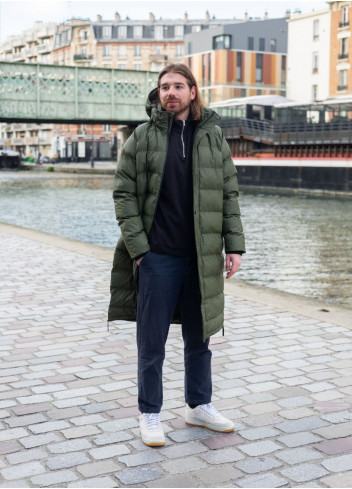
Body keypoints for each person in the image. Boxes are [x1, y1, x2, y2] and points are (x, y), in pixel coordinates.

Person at [108, 63, 245, 447]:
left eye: (178, 86)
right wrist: (140, 252)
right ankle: (150, 413)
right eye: (164, 86)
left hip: (202, 257)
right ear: (158, 93)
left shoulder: (213, 137)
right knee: (151, 343)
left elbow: (229, 194)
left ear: (193, 92)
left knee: (200, 339)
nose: (171, 92)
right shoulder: (141, 137)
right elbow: (124, 195)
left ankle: (198, 406)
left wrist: (233, 245)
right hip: (158, 259)